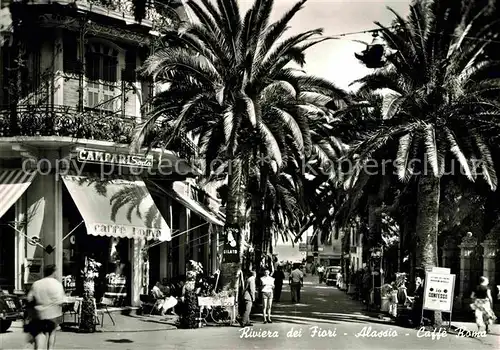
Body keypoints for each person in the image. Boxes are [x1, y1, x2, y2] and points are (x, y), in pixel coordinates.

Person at [26, 265, 65, 350]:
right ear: (54, 272)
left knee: (40, 332)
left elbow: (29, 299)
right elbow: (61, 300)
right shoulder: (57, 284)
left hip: (39, 314)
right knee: (52, 332)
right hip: (53, 314)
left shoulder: (36, 284)